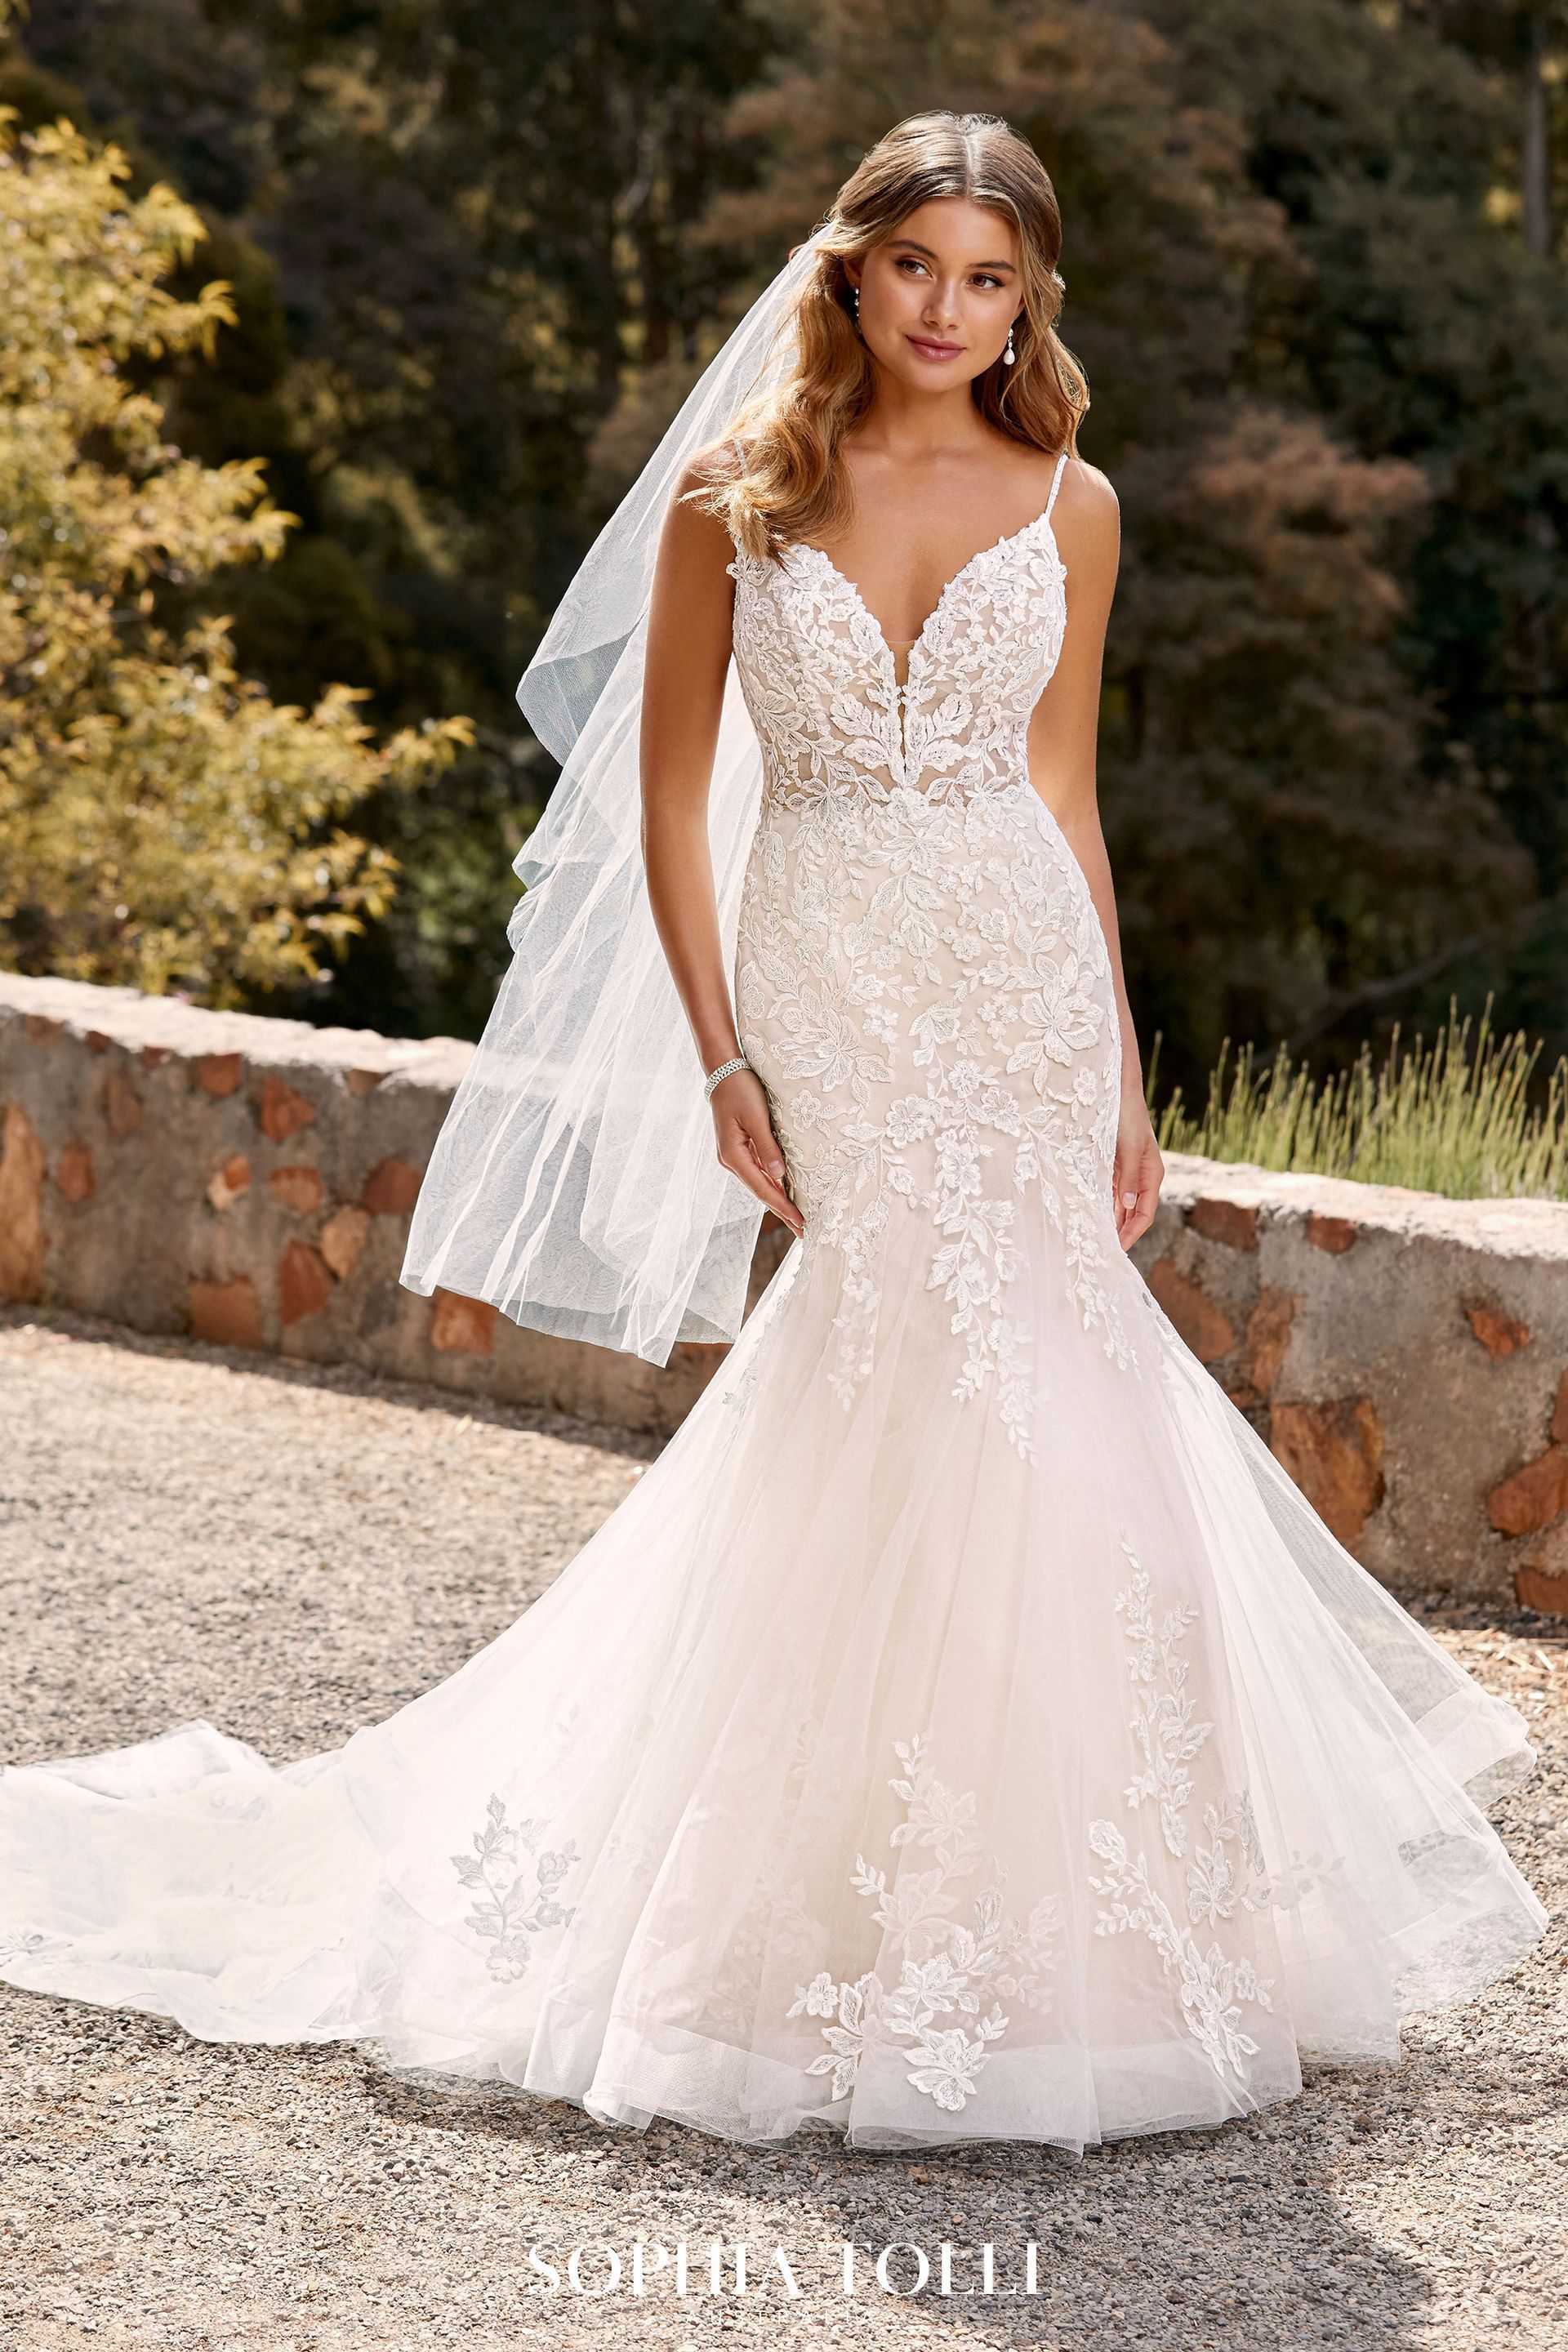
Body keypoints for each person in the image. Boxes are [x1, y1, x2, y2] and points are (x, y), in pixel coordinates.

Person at [0, 113, 1546, 2156]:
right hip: (827, 973)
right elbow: (668, 806)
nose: (949, 310)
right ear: (851, 268)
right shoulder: (738, 500)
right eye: (919, 266)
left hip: (1009, 971)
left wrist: (1125, 1066)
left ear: (1030, 301)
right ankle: (803, 1922)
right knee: (902, 1369)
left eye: (991, 280)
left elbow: (1063, 797)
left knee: (1056, 1402)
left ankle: (1081, 1936)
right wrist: (727, 1059)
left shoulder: (1073, 504)